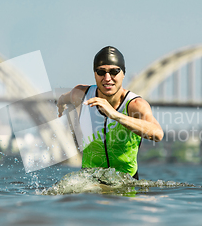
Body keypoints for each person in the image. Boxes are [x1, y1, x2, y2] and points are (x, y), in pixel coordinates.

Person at [56, 46, 163, 180]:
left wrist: (115, 115)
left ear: (123, 74)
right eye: (101, 72)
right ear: (94, 74)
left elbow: (158, 134)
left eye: (114, 72)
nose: (107, 78)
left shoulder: (135, 105)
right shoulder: (81, 94)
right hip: (88, 181)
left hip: (125, 183)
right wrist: (61, 104)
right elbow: (65, 97)